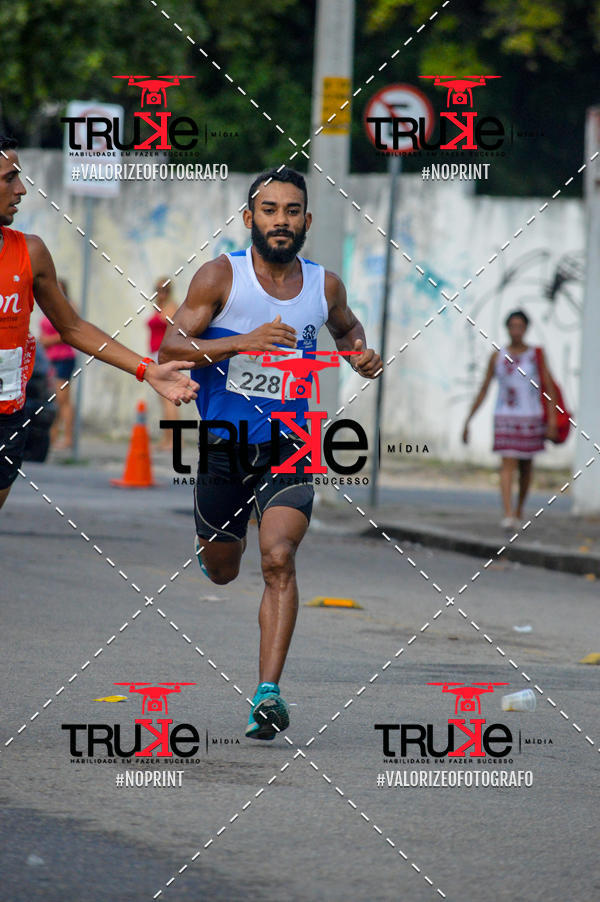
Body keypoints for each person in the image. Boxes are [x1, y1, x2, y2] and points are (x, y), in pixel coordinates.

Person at [159, 166, 382, 741]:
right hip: (224, 446)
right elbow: (171, 347)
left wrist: (359, 354)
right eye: (269, 210)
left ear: (306, 221)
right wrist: (243, 342)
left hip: (291, 443)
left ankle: (267, 694)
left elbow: (347, 328)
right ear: (249, 218)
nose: (281, 220)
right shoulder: (221, 277)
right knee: (223, 570)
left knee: (279, 557)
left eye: (291, 211)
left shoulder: (324, 285)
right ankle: (213, 548)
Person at [0, 135, 198, 512]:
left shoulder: (30, 252)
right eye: (10, 177)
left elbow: (73, 327)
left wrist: (148, 370)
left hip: (6, 417)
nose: (21, 189)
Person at [462, 309, 558, 529]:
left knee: (526, 467)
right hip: (505, 416)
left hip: (531, 417)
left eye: (520, 326)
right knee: (507, 464)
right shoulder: (497, 356)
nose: (516, 331)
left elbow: (549, 387)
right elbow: (484, 388)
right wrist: (468, 419)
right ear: (507, 328)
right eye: (512, 326)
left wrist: (552, 419)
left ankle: (519, 508)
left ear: (526, 329)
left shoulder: (536, 355)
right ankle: (508, 513)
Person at [39, 279, 77, 449]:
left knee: (63, 399)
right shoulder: (47, 305)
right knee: (52, 399)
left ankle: (68, 437)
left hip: (64, 358)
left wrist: (49, 340)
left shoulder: (69, 307)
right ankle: (53, 437)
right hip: (49, 359)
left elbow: (71, 332)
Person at [147, 277, 179, 450]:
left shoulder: (171, 307)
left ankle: (174, 440)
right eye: (159, 289)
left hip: (165, 356)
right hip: (155, 355)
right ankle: (167, 439)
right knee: (164, 400)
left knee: (170, 399)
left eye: (165, 290)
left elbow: (176, 330)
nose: (162, 293)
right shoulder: (157, 307)